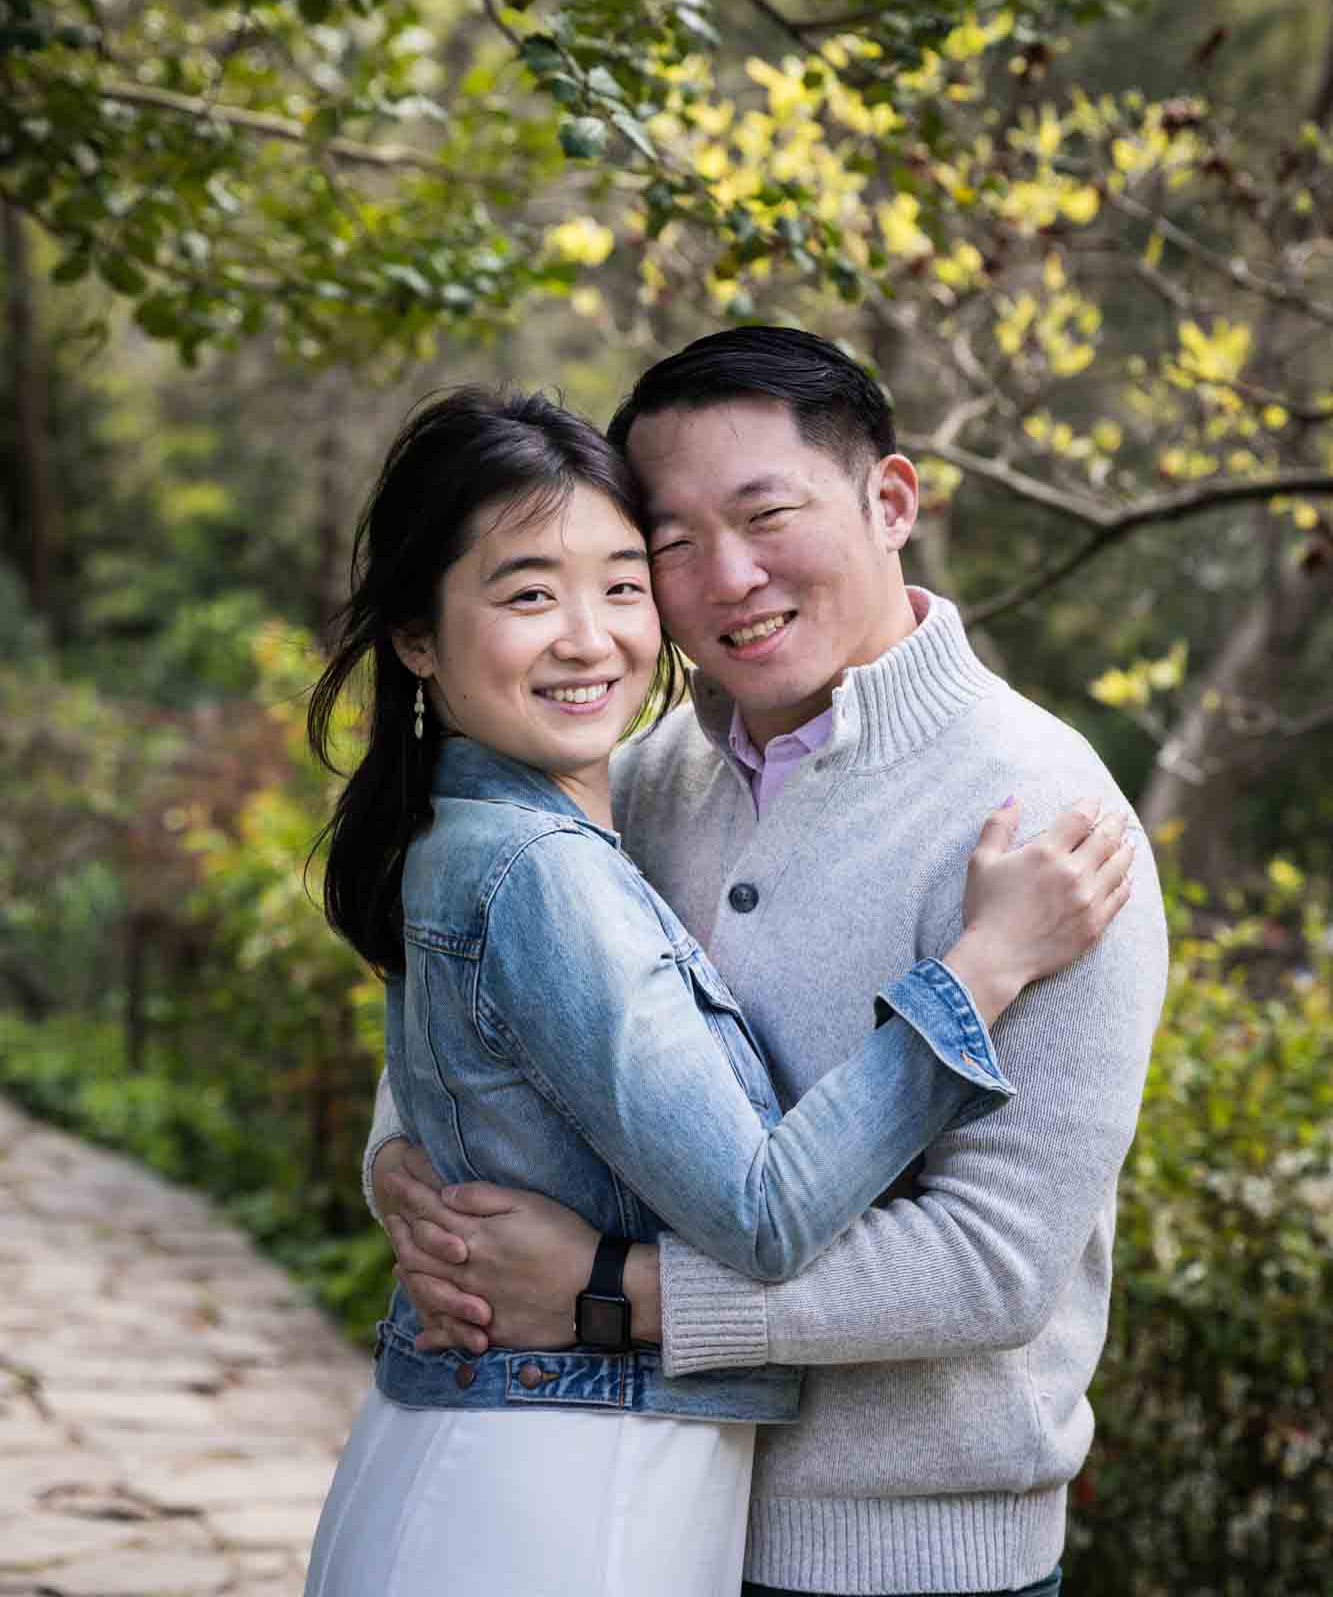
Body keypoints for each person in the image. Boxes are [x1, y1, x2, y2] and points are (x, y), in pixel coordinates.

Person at [368, 329, 1169, 1597]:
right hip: (629, 1522)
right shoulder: (634, 778)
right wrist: (406, 1176)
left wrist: (608, 1292)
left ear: (889, 500)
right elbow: (482, 1024)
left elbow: (990, 1264)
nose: (726, 576)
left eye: (765, 514)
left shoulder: (1046, 822)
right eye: (671, 543)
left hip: (908, 1563)